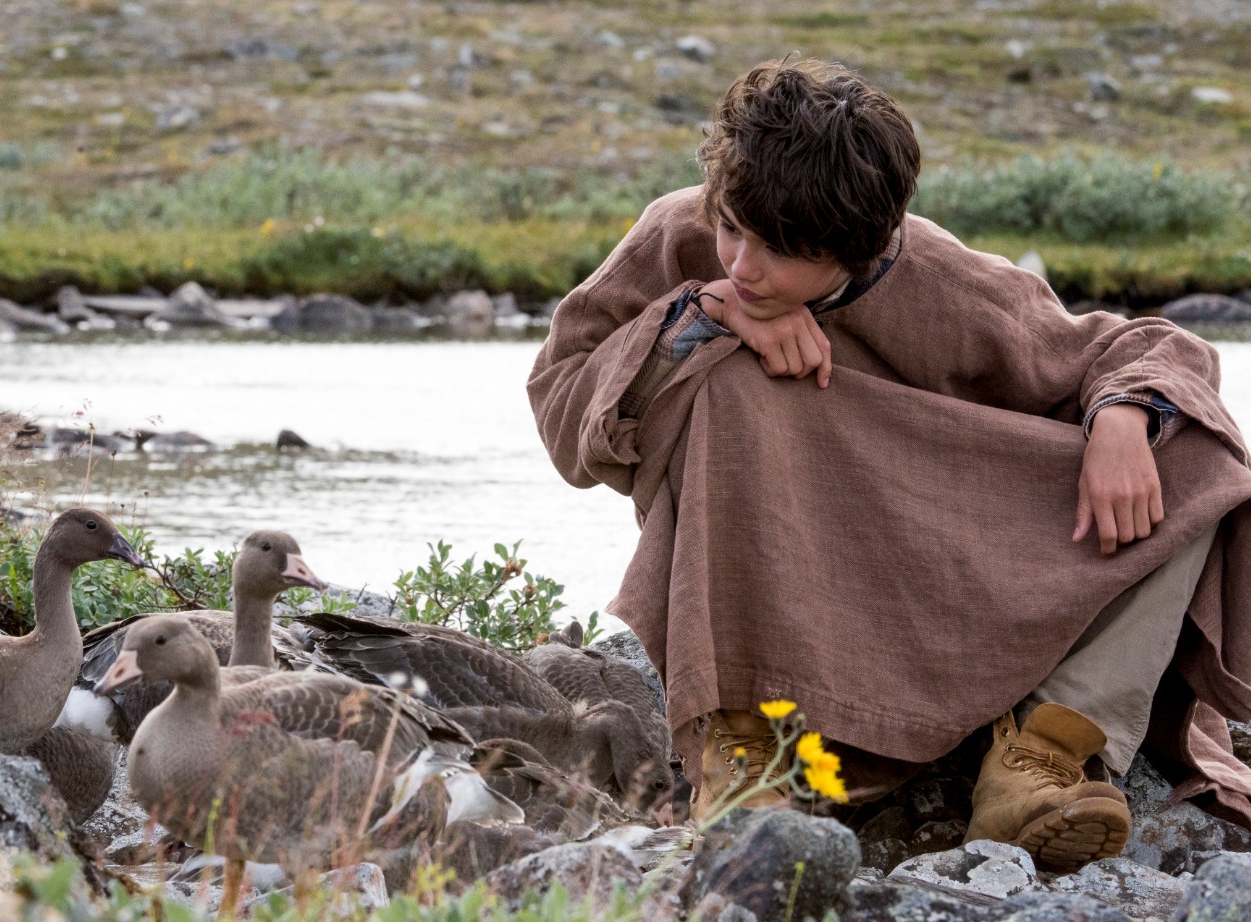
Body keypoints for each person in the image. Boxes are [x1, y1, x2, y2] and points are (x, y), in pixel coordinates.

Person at [527, 57, 1251, 873]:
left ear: (860, 248)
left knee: (1193, 451)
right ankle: (745, 754)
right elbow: (562, 409)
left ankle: (1042, 755)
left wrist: (1122, 415)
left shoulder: (932, 275)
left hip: (935, 573)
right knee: (725, 375)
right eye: (732, 227)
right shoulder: (679, 237)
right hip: (778, 594)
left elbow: (1143, 348)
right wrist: (694, 321)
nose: (741, 265)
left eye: (782, 251)